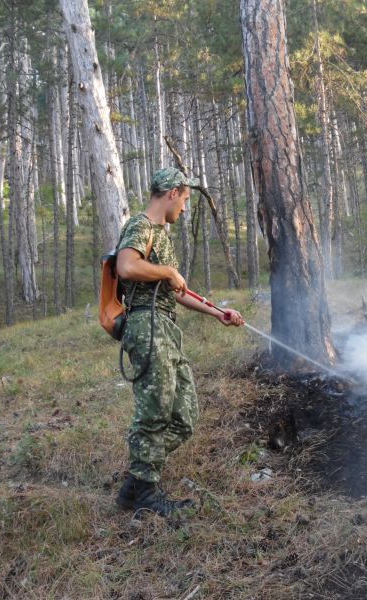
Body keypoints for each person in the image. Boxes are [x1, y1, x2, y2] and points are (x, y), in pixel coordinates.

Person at [114, 167, 245, 516]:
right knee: (154, 412)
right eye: (185, 200)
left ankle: (137, 479)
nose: (185, 208)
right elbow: (127, 267)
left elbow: (179, 292)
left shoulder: (161, 234)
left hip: (166, 326)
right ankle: (142, 491)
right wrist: (169, 272)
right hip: (147, 325)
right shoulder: (140, 226)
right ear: (172, 193)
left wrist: (218, 312)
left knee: (185, 413)